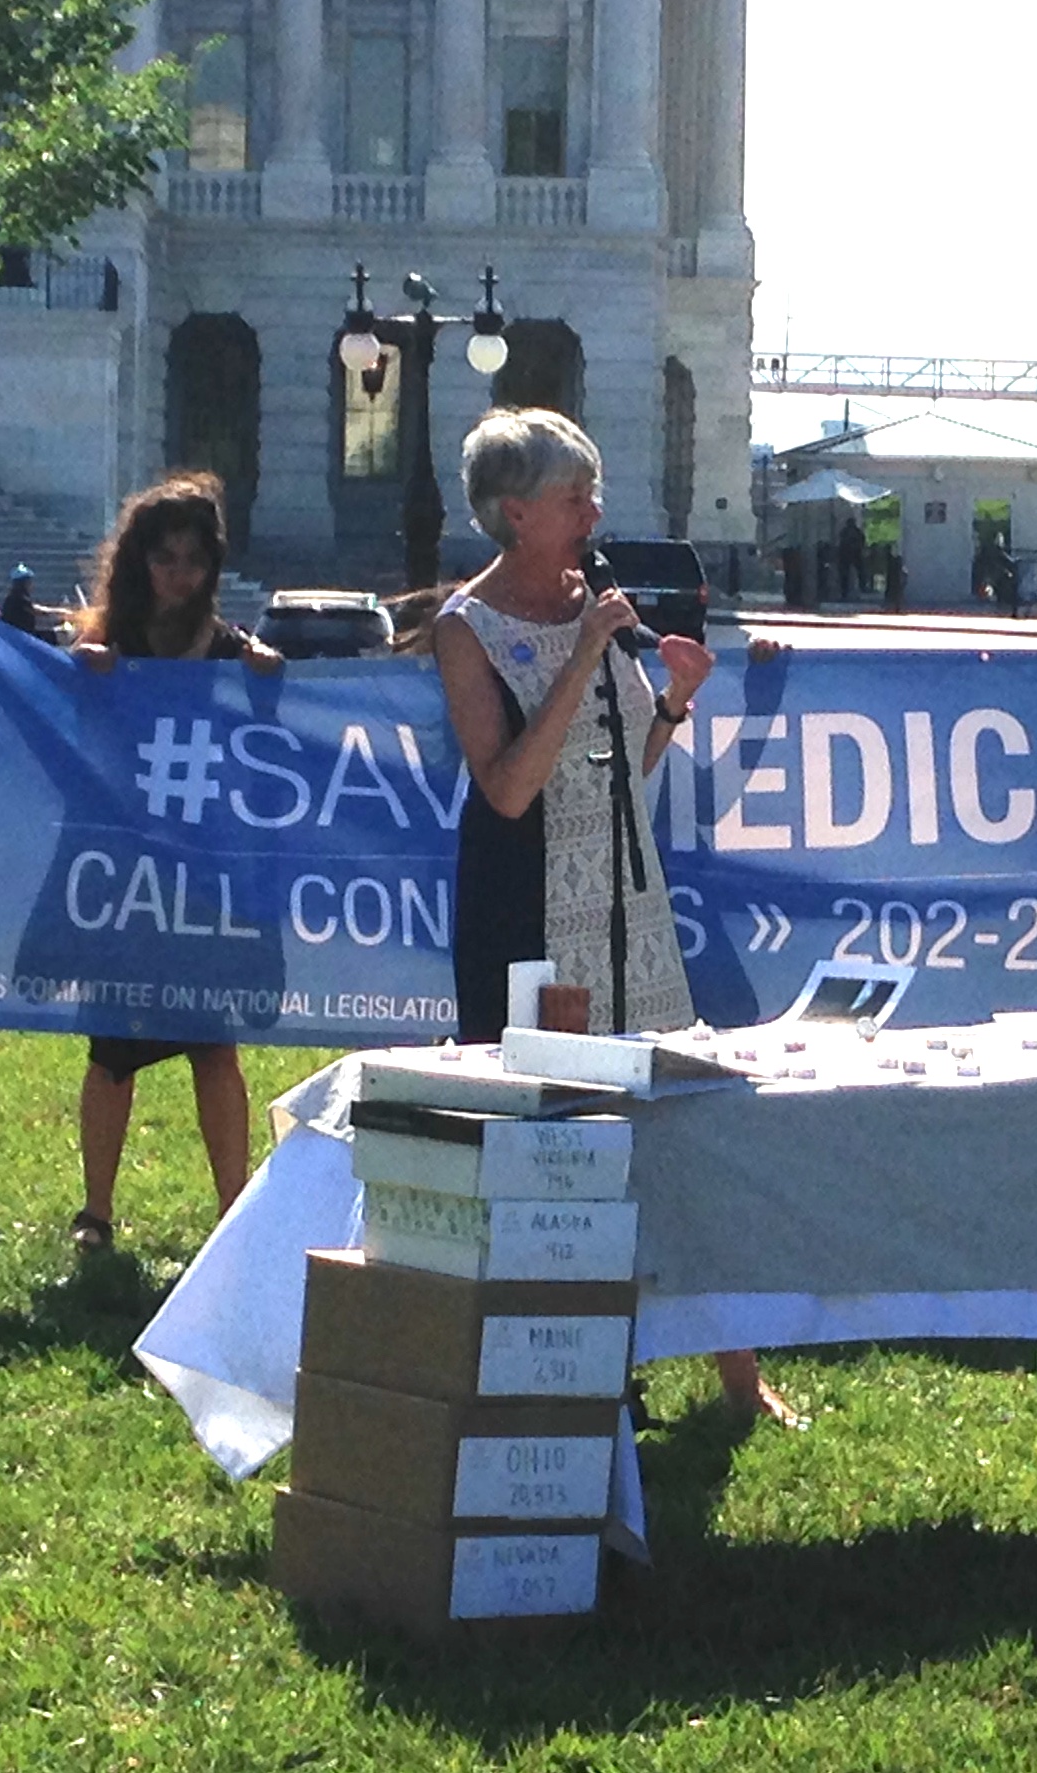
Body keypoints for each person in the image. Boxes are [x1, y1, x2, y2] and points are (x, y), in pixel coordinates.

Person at [433, 407, 795, 1426]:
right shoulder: (466, 627)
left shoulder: (589, 600)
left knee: (672, 1125)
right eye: (574, 497)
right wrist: (583, 651)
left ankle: (738, 1376)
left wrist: (671, 701)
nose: (594, 513)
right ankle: (575, 1375)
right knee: (553, 1148)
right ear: (515, 512)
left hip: (625, 901)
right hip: (526, 910)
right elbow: (510, 789)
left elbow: (620, 769)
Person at [64, 474, 283, 1251]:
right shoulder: (104, 648)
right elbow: (63, 738)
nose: (180, 575)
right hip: (125, 879)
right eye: (166, 559)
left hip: (209, 876)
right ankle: (95, 1212)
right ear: (139, 561)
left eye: (195, 560)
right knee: (111, 1050)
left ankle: (233, 1215)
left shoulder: (233, 652)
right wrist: (82, 681)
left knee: (214, 1046)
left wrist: (266, 685)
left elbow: (270, 750)